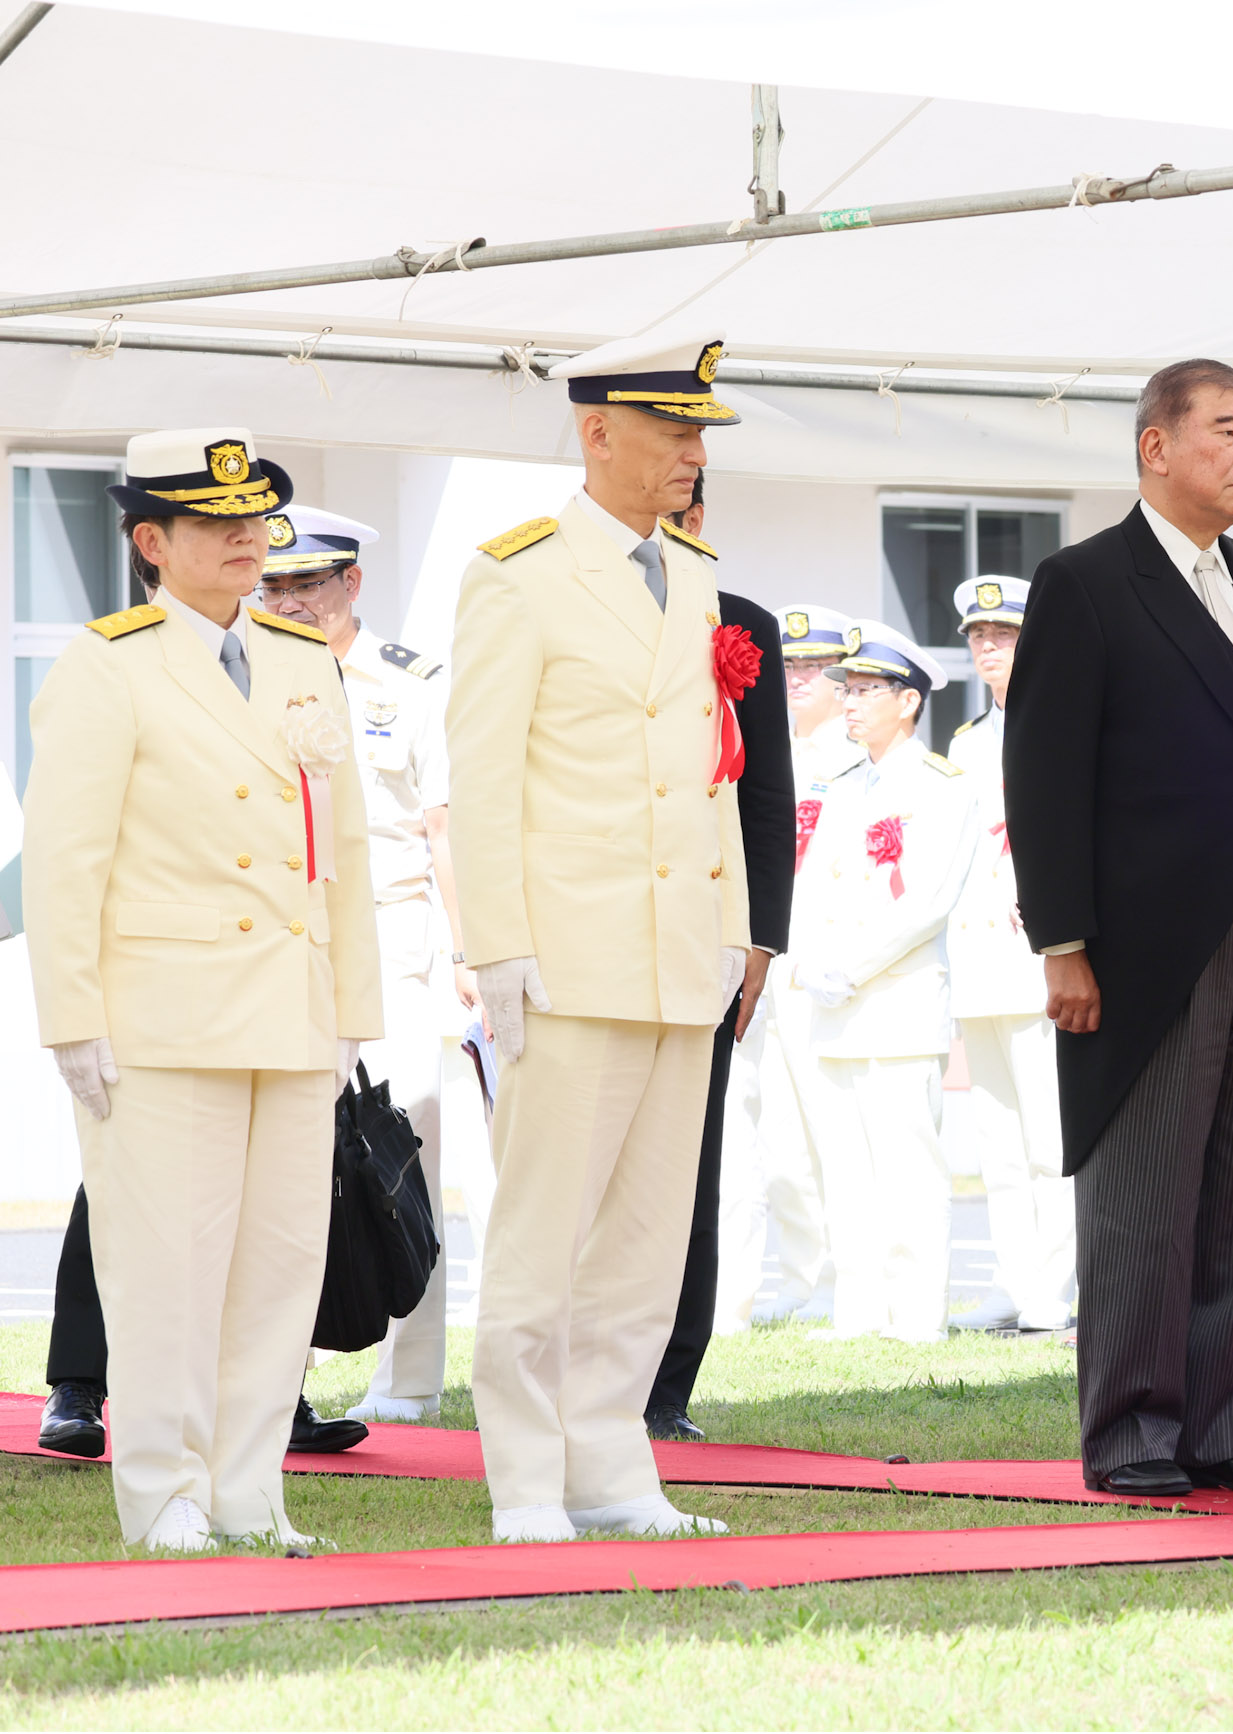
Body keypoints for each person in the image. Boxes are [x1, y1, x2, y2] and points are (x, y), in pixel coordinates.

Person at [24, 427, 379, 1548]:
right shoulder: (109, 661)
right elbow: (65, 857)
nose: (244, 538)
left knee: (278, 1270)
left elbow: (347, 855)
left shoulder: (298, 653)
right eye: (215, 522)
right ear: (150, 540)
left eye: (253, 518)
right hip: (163, 1018)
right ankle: (165, 1493)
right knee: (167, 1270)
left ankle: (246, 1489)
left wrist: (351, 1017)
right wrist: (70, 1018)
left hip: (290, 1002)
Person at [447, 328, 751, 1542]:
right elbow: (486, 776)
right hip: (568, 954)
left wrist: (728, 925)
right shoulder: (517, 573)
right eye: (673, 430)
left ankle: (613, 1469)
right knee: (543, 1237)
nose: (691, 453)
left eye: (698, 434)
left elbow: (711, 772)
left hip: (678, 948)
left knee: (640, 1241)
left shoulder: (693, 573)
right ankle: (526, 1477)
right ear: (596, 430)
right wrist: (499, 949)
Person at [1003, 358, 1233, 1498]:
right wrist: (1062, 940)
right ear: (1155, 447)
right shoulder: (1085, 582)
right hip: (1143, 933)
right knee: (1144, 1185)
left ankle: (1225, 1423)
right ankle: (1135, 1429)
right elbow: (1042, 772)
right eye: (1226, 431)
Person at [247, 504, 478, 1428]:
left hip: (399, 940)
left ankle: (411, 1376)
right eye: (275, 584)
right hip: (287, 940)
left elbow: (445, 827)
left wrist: (468, 954)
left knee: (399, 1152)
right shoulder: (251, 675)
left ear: (351, 583)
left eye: (310, 583)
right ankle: (278, 1376)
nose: (292, 602)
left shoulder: (408, 684)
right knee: (287, 1158)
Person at [645, 476, 796, 1442]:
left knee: (688, 1164)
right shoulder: (554, 603)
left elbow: (767, 792)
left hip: (707, 932)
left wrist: (762, 937)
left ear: (700, 520)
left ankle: (667, 1385)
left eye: (680, 511)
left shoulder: (739, 625)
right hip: (597, 932)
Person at [781, 625, 981, 1342]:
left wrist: (848, 966)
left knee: (909, 1168)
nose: (851, 704)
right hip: (831, 1004)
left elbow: (925, 899)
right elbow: (811, 885)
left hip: (894, 1001)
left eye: (867, 692)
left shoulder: (939, 787)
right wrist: (806, 963)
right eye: (849, 691)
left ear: (908, 702)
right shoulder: (843, 783)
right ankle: (859, 1313)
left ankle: (918, 1317)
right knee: (847, 1171)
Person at [712, 604, 859, 1330]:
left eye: (813, 667)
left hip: (821, 970)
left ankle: (836, 1277)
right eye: (790, 665)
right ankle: (789, 1281)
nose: (798, 678)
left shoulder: (855, 760)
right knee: (760, 1140)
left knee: (823, 1132)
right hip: (756, 960)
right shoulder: (749, 734)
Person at [945, 576, 1075, 1334]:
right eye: (978, 637)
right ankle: (1012, 1277)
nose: (987, 647)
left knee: (1048, 1136)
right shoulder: (965, 743)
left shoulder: (1062, 721)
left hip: (1041, 955)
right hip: (978, 955)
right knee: (994, 1138)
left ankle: (1051, 1284)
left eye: (1003, 634)